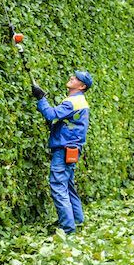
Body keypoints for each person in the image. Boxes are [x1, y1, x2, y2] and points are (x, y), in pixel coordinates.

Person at [30, 70, 93, 236]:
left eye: (76, 78)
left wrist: (41, 98)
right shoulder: (78, 101)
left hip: (64, 148)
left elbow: (51, 114)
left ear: (82, 86)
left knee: (58, 186)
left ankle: (68, 229)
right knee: (68, 185)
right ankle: (77, 220)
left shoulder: (73, 102)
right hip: (71, 149)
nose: (72, 77)